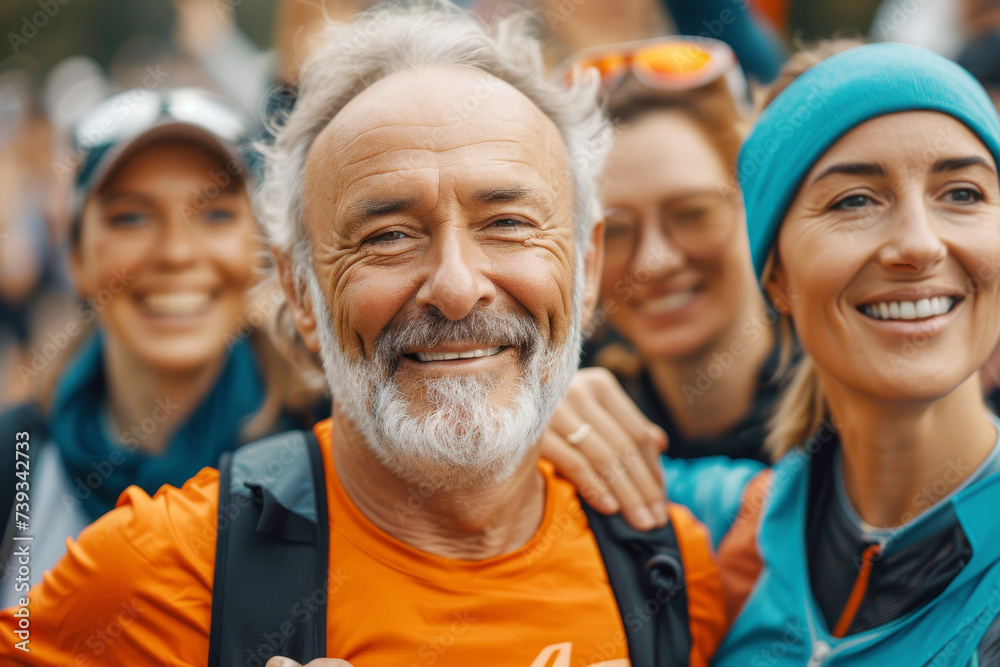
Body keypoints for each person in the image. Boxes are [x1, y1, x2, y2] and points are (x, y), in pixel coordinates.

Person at [0, 4, 727, 666]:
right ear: (298, 290)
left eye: (507, 222)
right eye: (388, 235)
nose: (454, 284)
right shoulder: (161, 572)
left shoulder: (668, 565)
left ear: (589, 262)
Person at [708, 42, 1000, 664]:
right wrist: (564, 409)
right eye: (854, 201)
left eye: (964, 193)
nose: (919, 245)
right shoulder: (727, 522)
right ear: (776, 277)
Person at [0, 87, 323, 606]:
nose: (175, 252)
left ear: (260, 250)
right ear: (77, 258)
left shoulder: (332, 450)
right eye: (131, 217)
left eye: (215, 215)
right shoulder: (17, 456)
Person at [538, 37, 777, 538]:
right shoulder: (561, 417)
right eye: (617, 229)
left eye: (693, 213)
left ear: (756, 205)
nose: (655, 261)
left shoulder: (855, 407)